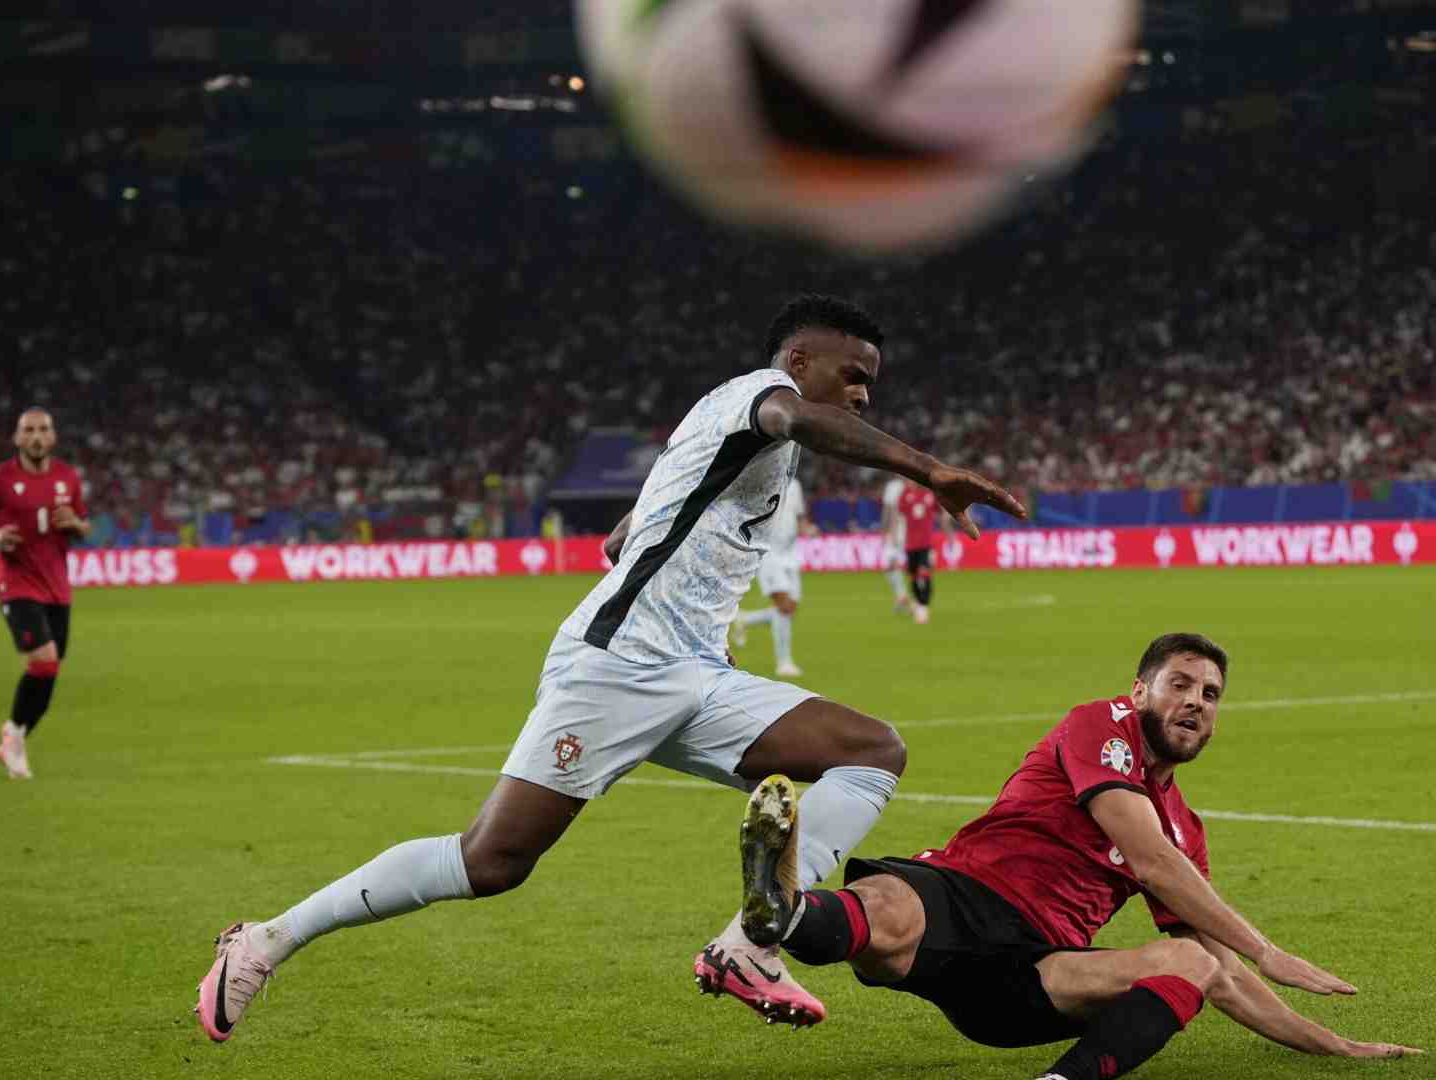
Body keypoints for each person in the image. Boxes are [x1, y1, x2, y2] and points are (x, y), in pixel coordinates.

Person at [196, 294, 1027, 1041]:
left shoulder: (732, 426)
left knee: (872, 750)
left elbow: (642, 521)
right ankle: (265, 940)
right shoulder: (763, 396)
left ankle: (752, 938)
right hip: (620, 668)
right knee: (491, 862)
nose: (864, 394)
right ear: (799, 361)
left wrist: (652, 553)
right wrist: (930, 468)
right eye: (853, 376)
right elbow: (801, 422)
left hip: (694, 672)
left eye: (871, 383)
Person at [715, 634, 1419, 1077]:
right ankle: (782, 913)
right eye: (1179, 684)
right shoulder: (1100, 726)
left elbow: (1223, 974)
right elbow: (1148, 860)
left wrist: (1328, 1042)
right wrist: (1268, 950)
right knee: (888, 916)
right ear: (1139, 691)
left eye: (1210, 694)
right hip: (959, 895)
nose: (1196, 702)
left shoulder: (1185, 828)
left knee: (1193, 963)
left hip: (1034, 970)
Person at [0, 407, 91, 781]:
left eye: (43, 430)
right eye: (28, 430)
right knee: (44, 662)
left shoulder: (67, 477)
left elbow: (84, 526)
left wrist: (76, 523)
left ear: (53, 437)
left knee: (50, 670)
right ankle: (15, 740)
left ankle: (15, 735)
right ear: (17, 438)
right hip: (18, 585)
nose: (36, 437)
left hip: (58, 589)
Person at [732, 475, 812, 677]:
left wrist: (807, 528)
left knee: (790, 609)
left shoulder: (795, 485)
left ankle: (745, 619)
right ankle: (784, 663)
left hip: (790, 554)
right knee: (784, 607)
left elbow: (799, 515)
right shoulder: (762, 477)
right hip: (769, 553)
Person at [898, 479, 943, 623]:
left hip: (926, 544)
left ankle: (924, 606)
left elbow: (940, 510)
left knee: (924, 573)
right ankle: (918, 602)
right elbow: (900, 510)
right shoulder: (906, 493)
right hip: (910, 544)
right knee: (913, 575)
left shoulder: (930, 494)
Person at [878, 477, 911, 613]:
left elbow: (890, 510)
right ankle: (902, 597)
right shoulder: (908, 486)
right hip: (904, 529)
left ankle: (904, 598)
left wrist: (888, 530)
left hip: (898, 530)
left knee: (891, 564)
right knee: (891, 565)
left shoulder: (894, 486)